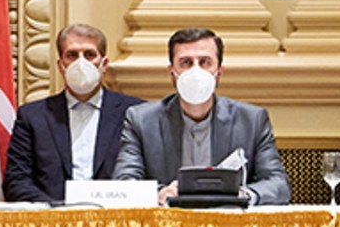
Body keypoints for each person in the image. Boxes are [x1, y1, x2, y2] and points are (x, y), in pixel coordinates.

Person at [114, 26, 290, 205]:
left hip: (228, 219)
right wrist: (160, 193)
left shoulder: (252, 121)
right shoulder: (141, 120)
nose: (195, 71)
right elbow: (124, 181)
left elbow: (278, 184)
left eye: (205, 62)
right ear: (172, 71)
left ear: (219, 71)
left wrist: (243, 194)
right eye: (186, 63)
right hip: (169, 219)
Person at [2, 23, 144, 204]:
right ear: (60, 65)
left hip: (117, 216)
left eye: (90, 55)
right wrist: (58, 211)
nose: (81, 63)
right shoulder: (32, 117)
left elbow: (147, 176)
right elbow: (16, 182)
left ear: (104, 64)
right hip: (53, 217)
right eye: (72, 55)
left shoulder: (135, 113)